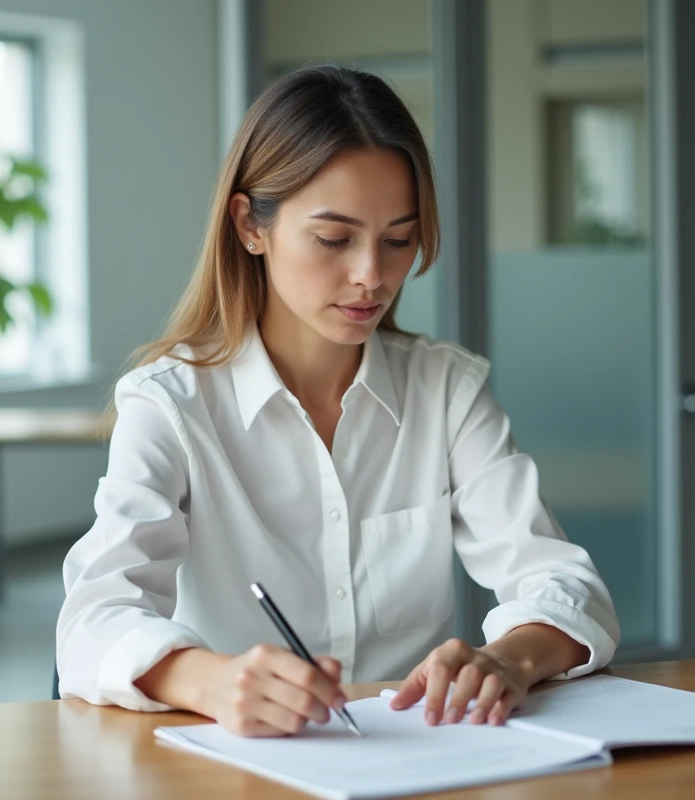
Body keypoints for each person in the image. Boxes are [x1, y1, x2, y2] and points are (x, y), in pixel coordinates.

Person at [57, 65, 619, 737]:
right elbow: (91, 620)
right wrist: (210, 680)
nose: (371, 276)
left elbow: (565, 584)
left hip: (419, 760)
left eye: (398, 240)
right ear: (249, 225)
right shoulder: (170, 405)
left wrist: (508, 659)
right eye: (334, 239)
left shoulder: (446, 390)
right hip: (240, 761)